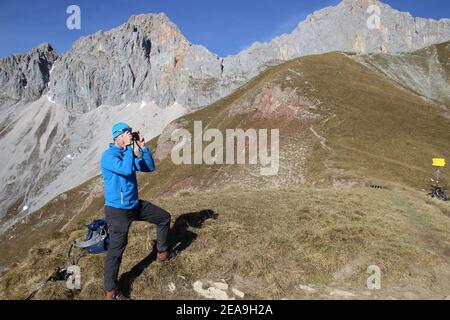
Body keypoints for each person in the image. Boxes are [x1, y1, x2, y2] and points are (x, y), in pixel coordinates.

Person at [101, 122, 171, 300]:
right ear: (117, 136)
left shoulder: (127, 153)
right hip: (117, 211)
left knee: (164, 217)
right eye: (126, 133)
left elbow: (149, 167)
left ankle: (162, 253)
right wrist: (128, 150)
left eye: (130, 132)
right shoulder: (108, 156)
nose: (129, 135)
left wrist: (142, 148)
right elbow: (125, 170)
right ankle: (111, 291)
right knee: (116, 250)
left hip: (134, 205)